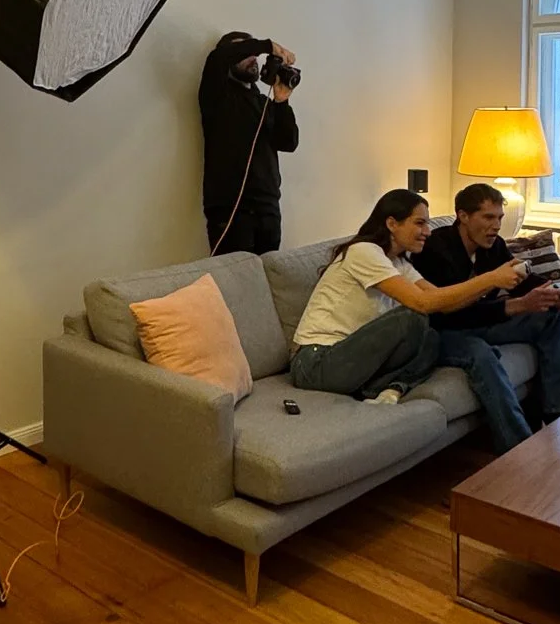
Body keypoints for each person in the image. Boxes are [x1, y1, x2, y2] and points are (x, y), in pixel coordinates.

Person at [290, 189, 528, 405]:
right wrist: (491, 279)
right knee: (412, 317)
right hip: (315, 362)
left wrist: (492, 286)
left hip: (354, 360)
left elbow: (440, 300)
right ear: (392, 223)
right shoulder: (364, 252)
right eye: (420, 223)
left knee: (432, 336)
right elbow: (421, 303)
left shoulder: (400, 263)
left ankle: (391, 390)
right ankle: (384, 387)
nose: (427, 231)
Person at [412, 182, 560, 451]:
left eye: (500, 218)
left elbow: (523, 279)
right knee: (482, 354)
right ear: (463, 216)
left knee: (553, 316)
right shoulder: (435, 249)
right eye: (488, 217)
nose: (496, 225)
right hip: (443, 330)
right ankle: (518, 449)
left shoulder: (494, 246)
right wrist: (516, 306)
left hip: (481, 321)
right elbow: (447, 312)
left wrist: (555, 294)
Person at [200, 31, 300, 255]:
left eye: (254, 53)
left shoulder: (263, 103)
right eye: (246, 52)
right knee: (235, 283)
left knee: (266, 280)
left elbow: (288, 142)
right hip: (232, 209)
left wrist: (281, 102)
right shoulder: (218, 95)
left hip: (268, 207)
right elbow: (218, 58)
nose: (254, 57)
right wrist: (266, 46)